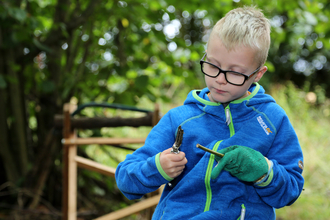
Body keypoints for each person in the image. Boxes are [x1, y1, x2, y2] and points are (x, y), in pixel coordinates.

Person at [115, 6, 304, 220]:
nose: (220, 79)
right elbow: (125, 180)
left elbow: (290, 191)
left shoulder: (273, 120)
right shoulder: (178, 119)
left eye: (234, 72)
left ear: (257, 74)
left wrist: (265, 172)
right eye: (213, 65)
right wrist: (156, 167)